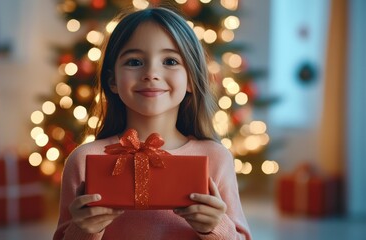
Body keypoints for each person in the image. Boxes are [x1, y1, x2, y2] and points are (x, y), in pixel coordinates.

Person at [53, 7, 252, 240]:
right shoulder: (84, 160)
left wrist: (217, 227)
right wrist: (83, 229)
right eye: (135, 61)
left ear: (191, 79)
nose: (151, 73)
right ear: (112, 80)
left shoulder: (216, 158)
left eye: (170, 60)